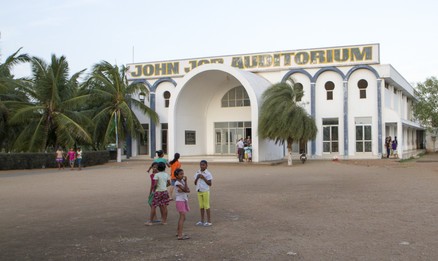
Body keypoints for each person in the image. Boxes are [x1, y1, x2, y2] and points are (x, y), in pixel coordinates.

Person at [194, 160, 213, 226]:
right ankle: (202, 221)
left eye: (203, 165)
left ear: (206, 166)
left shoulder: (208, 173)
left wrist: (204, 178)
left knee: (206, 206)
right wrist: (197, 178)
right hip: (199, 191)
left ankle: (209, 221)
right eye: (201, 165)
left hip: (205, 191)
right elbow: (195, 183)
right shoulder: (197, 172)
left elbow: (210, 184)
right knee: (201, 206)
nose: (202, 166)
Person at [174, 168, 190, 240]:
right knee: (182, 217)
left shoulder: (182, 181)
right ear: (176, 176)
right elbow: (186, 190)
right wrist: (186, 183)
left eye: (183, 174)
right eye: (180, 174)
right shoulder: (177, 183)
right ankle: (180, 235)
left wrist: (185, 184)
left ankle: (178, 232)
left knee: (183, 218)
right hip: (180, 201)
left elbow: (187, 190)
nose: (182, 175)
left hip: (183, 200)